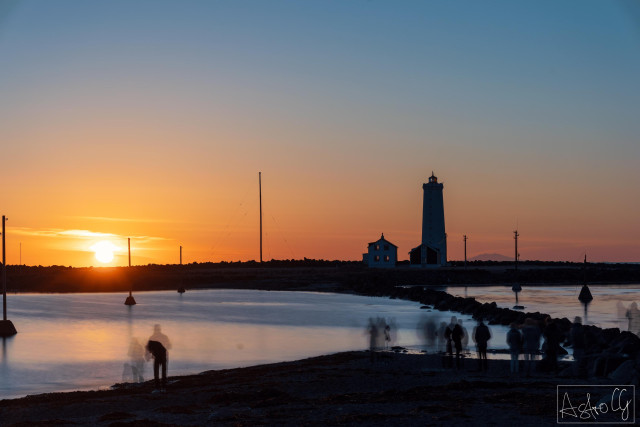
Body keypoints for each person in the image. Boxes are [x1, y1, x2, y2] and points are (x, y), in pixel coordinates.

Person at [146, 324, 172, 391]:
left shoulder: (152, 337)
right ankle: (163, 387)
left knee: (157, 372)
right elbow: (169, 346)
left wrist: (148, 355)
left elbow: (148, 347)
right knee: (163, 372)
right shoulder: (164, 336)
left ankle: (158, 388)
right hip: (162, 356)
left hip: (158, 356)